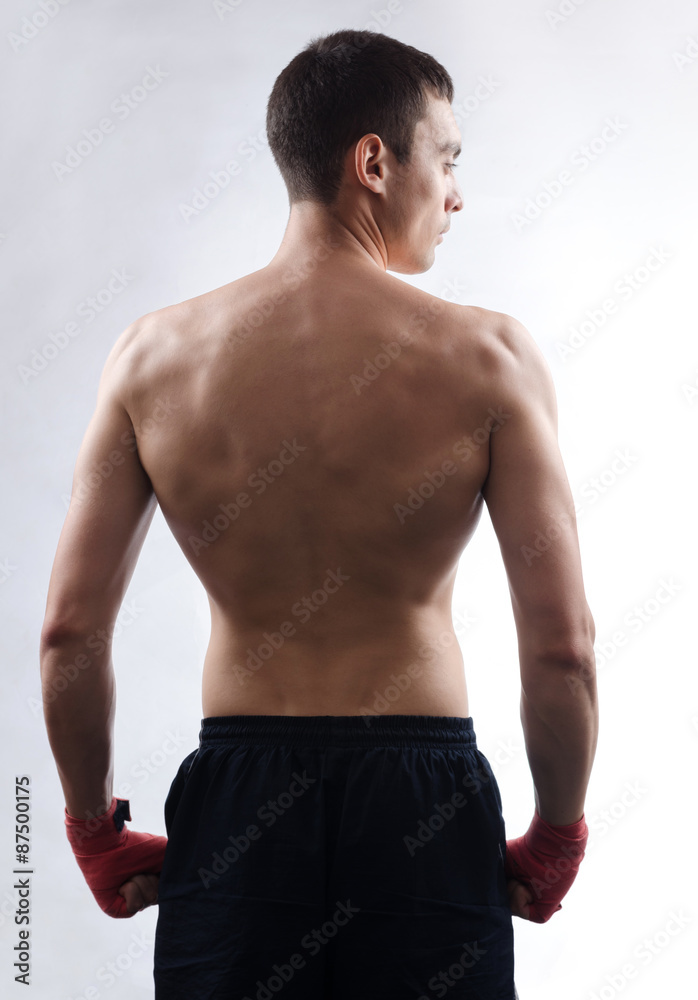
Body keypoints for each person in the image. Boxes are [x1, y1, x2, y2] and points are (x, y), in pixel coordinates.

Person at [40, 28, 598, 1000]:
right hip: (421, 806)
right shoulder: (490, 360)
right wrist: (556, 834)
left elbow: (68, 635)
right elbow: (563, 649)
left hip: (241, 806)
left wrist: (91, 828)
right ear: (373, 162)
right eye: (448, 159)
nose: (457, 195)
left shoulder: (150, 359)